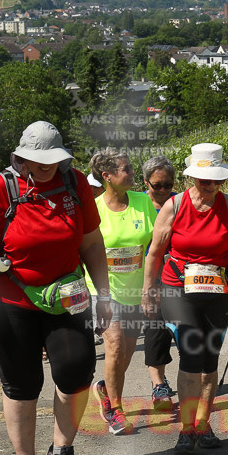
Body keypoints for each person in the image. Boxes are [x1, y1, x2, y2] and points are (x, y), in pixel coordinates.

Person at [0, 120, 110, 455]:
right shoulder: (0, 187)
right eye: (37, 160)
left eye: (52, 160)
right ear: (21, 157)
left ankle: (63, 453)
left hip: (67, 296)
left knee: (76, 372)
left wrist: (104, 295)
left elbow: (92, 244)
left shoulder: (74, 185)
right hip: (7, 300)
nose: (46, 166)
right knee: (22, 382)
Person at [142, 143, 228, 455]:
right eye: (205, 179)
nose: (211, 184)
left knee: (209, 359)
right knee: (192, 354)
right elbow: (155, 252)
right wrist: (149, 291)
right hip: (178, 287)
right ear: (193, 177)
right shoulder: (175, 206)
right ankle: (186, 429)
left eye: (217, 179)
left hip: (217, 289)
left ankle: (203, 424)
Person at [87, 150, 157, 435]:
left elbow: (157, 243)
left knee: (126, 352)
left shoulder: (143, 202)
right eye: (126, 169)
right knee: (115, 345)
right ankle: (115, 410)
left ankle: (105, 387)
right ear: (107, 176)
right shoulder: (93, 209)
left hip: (136, 290)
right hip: (104, 290)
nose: (132, 174)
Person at [142, 155, 179, 408]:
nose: (164, 190)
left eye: (168, 185)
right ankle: (159, 384)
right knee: (156, 329)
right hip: (150, 276)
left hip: (179, 275)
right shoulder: (139, 204)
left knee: (185, 330)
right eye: (158, 185)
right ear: (146, 182)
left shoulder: (181, 202)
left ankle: (193, 379)